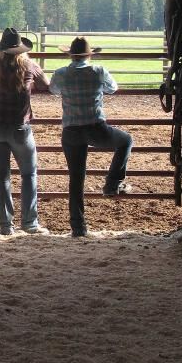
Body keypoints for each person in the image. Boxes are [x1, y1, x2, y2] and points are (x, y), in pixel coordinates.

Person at [49, 36, 133, 238]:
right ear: (89, 55)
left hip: (71, 131)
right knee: (125, 141)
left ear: (71, 55)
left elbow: (53, 90)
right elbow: (113, 88)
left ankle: (78, 227)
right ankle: (112, 183)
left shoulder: (61, 73)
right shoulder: (98, 71)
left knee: (76, 179)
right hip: (95, 127)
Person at [0, 27, 50, 236]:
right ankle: (29, 222)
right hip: (20, 128)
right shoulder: (29, 65)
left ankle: (5, 225)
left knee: (2, 176)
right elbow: (46, 84)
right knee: (28, 174)